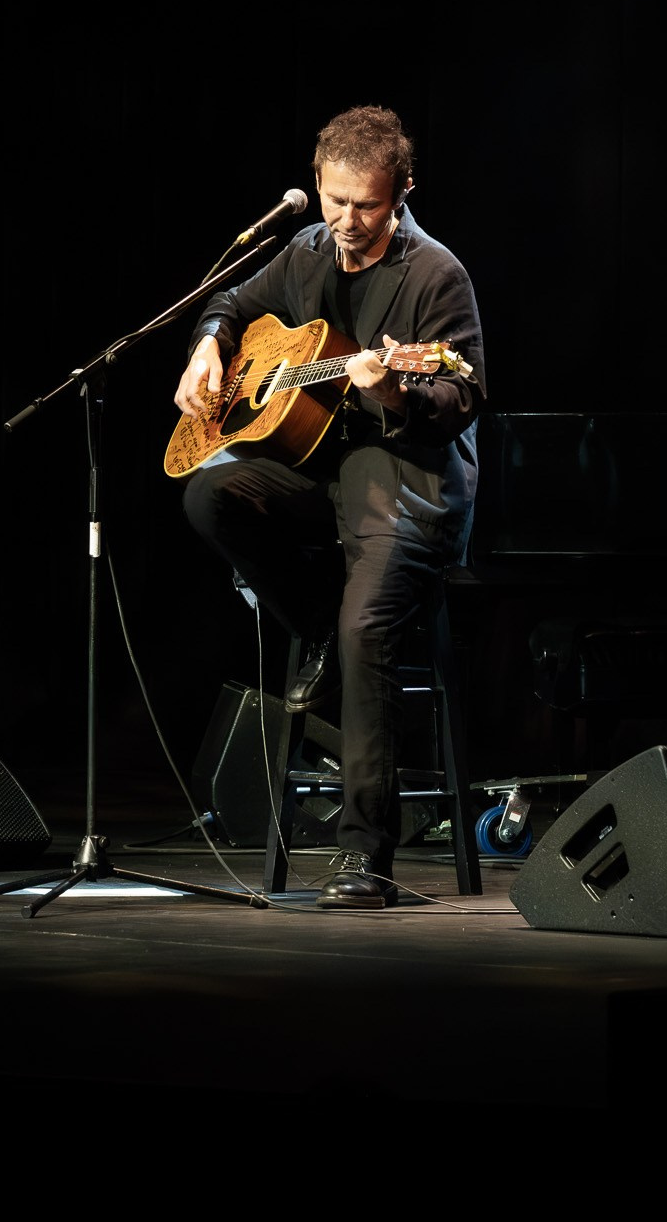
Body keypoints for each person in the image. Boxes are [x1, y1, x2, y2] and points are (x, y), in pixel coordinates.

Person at [173, 104, 487, 909]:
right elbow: (231, 305)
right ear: (318, 185)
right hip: (319, 477)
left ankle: (364, 857)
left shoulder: (436, 274)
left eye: (369, 206)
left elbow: (461, 394)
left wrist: (393, 391)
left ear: (402, 192)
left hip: (408, 481)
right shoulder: (303, 250)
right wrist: (209, 339)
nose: (350, 221)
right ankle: (312, 620)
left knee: (365, 627)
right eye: (337, 200)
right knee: (211, 489)